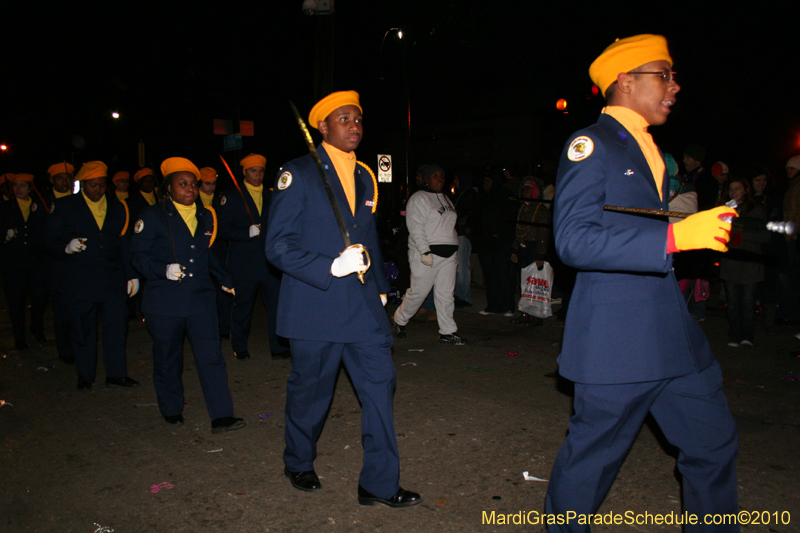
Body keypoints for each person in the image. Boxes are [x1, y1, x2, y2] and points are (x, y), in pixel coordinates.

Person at [546, 35, 739, 532]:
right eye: (664, 75)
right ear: (626, 81)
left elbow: (630, 226)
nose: (675, 86)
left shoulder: (646, 146)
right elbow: (573, 240)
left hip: (670, 335)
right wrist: (675, 237)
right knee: (589, 467)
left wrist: (691, 231)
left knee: (713, 443)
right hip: (618, 339)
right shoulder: (593, 143)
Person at [265, 90, 420, 508]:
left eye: (358, 120)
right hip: (317, 303)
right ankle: (298, 460)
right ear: (322, 126)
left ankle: (379, 483)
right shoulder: (297, 174)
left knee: (379, 390)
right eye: (344, 119)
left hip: (363, 305)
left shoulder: (366, 175)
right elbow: (277, 246)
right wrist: (327, 266)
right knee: (311, 393)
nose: (354, 126)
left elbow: (365, 234)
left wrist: (383, 288)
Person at [130, 157, 245, 433]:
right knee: (169, 357)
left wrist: (225, 279)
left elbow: (207, 254)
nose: (190, 189)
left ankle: (221, 415)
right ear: (168, 188)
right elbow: (137, 255)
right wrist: (161, 269)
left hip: (200, 298)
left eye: (193, 184)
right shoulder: (153, 216)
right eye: (182, 184)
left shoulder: (206, 215)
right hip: (165, 302)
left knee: (211, 356)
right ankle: (171, 408)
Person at [44, 161, 141, 390]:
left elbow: (123, 242)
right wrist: (65, 247)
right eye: (92, 185)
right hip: (80, 279)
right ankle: (85, 375)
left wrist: (132, 275)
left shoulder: (117, 206)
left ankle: (117, 374)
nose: (97, 190)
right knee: (82, 329)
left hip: (112, 278)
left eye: (100, 185)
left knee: (117, 328)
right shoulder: (66, 205)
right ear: (83, 184)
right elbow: (48, 239)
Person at [218, 153, 288, 360]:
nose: (257, 175)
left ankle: (278, 346)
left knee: (276, 306)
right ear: (244, 172)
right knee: (243, 306)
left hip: (269, 262)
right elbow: (222, 229)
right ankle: (239, 345)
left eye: (260, 171)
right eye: (253, 171)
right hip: (244, 262)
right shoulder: (231, 196)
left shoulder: (272, 195)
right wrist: (245, 232)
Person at [392, 164, 466, 344]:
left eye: (442, 176)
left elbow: (448, 225)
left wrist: (454, 246)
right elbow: (415, 227)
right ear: (426, 179)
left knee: (445, 294)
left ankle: (448, 332)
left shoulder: (446, 198)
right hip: (426, 254)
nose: (440, 179)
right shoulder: (418, 198)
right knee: (419, 292)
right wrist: (424, 251)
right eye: (436, 176)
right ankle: (399, 320)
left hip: (448, 255)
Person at [0, 173, 48, 349]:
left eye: (22, 185)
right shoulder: (5, 207)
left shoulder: (39, 206)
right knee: (16, 301)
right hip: (14, 263)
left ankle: (37, 327)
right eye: (15, 185)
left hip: (36, 262)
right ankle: (19, 336)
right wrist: (5, 237)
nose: (18, 189)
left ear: (30, 188)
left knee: (39, 298)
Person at [720, 177, 768, 347]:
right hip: (730, 262)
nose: (734, 192)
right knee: (732, 303)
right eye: (731, 188)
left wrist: (742, 236)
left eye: (737, 188)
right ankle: (734, 334)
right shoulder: (724, 210)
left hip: (749, 263)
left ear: (745, 190)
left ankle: (748, 335)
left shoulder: (756, 211)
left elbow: (765, 236)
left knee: (748, 303)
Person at [510, 176, 550, 326]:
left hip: (533, 252)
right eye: (524, 189)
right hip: (522, 251)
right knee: (524, 285)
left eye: (528, 190)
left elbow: (543, 235)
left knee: (534, 285)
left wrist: (540, 255)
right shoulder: (522, 208)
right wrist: (514, 250)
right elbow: (518, 231)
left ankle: (535, 315)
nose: (525, 192)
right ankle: (525, 313)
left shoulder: (540, 210)